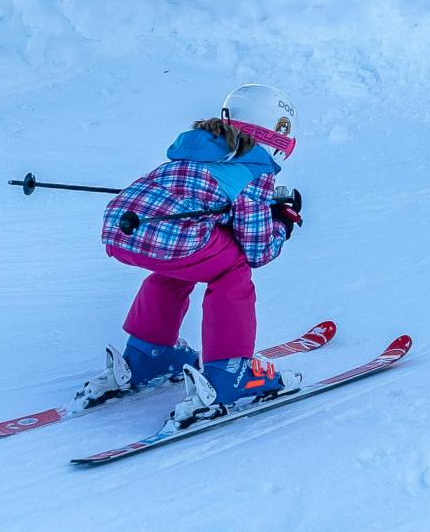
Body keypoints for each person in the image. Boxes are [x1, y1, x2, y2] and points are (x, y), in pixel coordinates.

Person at [84, 83, 309, 428]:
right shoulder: (253, 169)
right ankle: (229, 373)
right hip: (168, 234)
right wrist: (281, 222)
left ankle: (149, 353)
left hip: (121, 230)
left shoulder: (200, 151)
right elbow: (257, 249)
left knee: (186, 261)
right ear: (276, 138)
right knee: (232, 268)